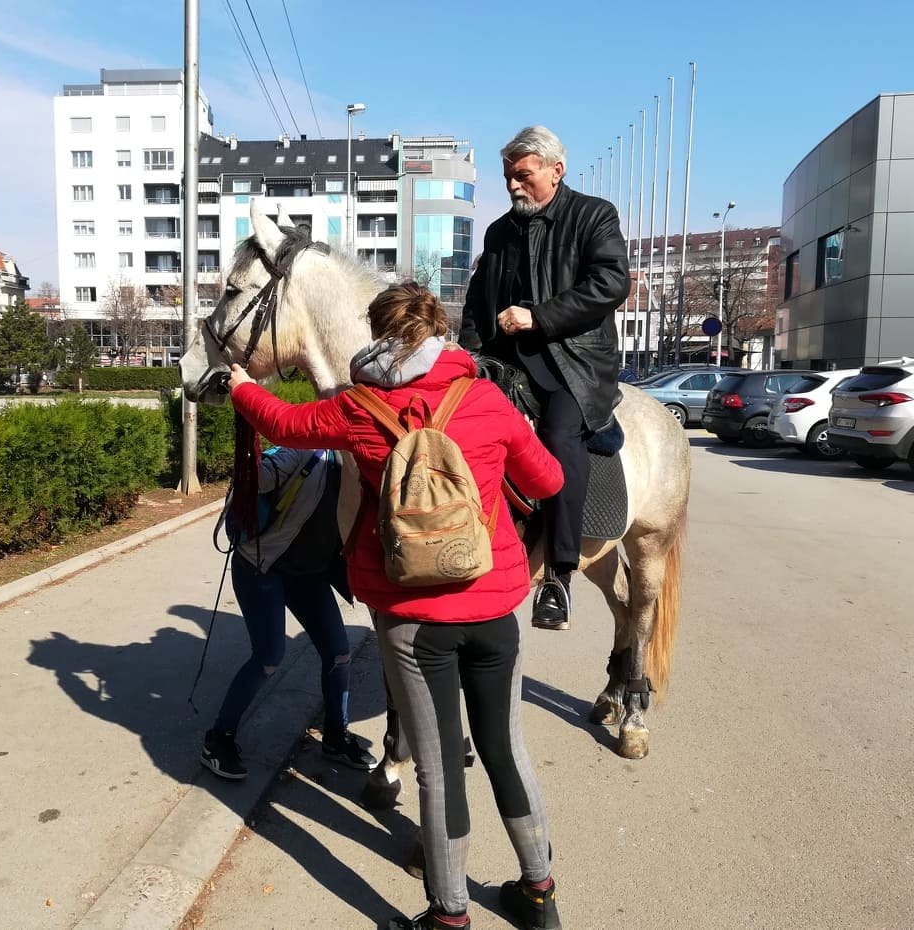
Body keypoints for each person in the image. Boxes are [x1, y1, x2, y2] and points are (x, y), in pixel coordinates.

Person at [228, 282, 565, 930]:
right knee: (506, 748)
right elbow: (549, 480)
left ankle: (449, 916)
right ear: (440, 333)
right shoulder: (487, 397)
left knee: (438, 770)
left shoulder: (362, 405)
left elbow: (284, 422)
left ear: (380, 336)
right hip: (494, 610)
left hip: (413, 623)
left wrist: (243, 382)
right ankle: (540, 895)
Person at [459, 125, 631, 631]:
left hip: (574, 363)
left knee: (558, 438)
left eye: (523, 176)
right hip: (505, 364)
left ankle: (558, 575)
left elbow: (611, 282)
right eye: (509, 177)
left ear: (556, 171)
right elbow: (475, 304)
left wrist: (541, 317)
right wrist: (467, 357)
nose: (513, 186)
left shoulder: (594, 216)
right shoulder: (497, 233)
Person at [201, 445, 378, 781]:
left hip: (308, 573)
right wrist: (248, 430)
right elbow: (256, 477)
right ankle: (218, 739)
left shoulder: (369, 464)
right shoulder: (305, 452)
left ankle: (335, 737)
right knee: (268, 656)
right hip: (262, 566)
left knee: (339, 653)